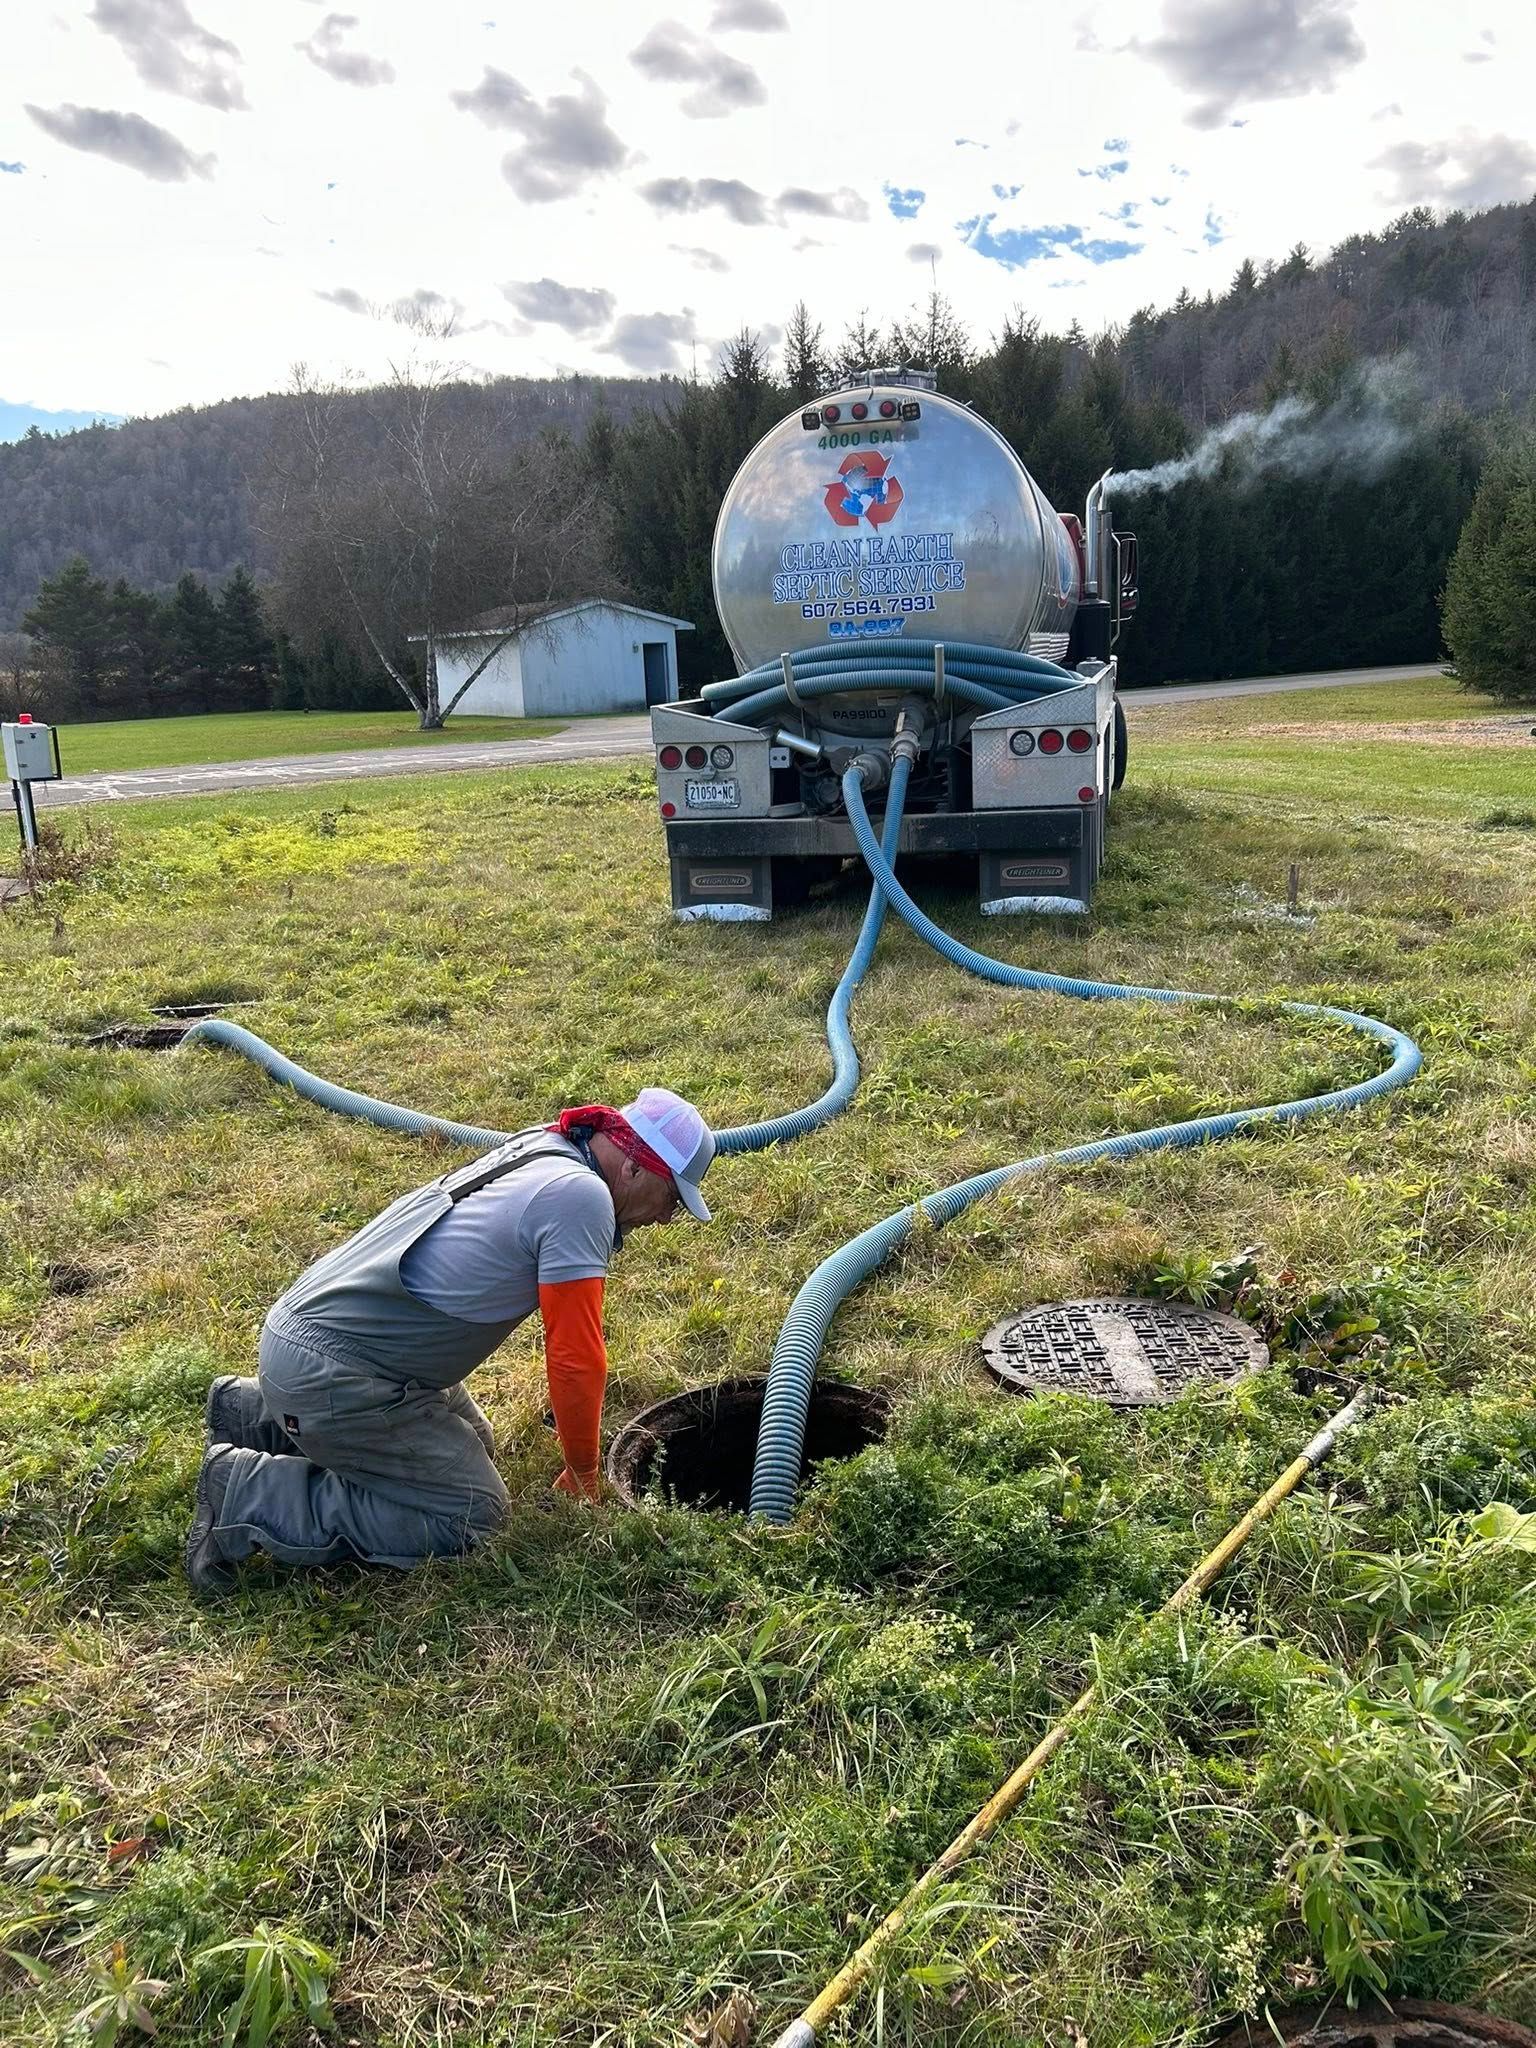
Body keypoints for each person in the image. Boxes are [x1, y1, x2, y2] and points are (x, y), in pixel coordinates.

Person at [185, 1088, 715, 1593]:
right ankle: (243, 1493)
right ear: (633, 1166)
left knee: (475, 1445)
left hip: (324, 1346)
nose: (667, 1216)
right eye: (672, 1196)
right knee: (470, 1513)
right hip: (337, 1372)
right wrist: (583, 1471)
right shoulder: (582, 1198)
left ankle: (251, 1415)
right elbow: (575, 1357)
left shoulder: (550, 1147)